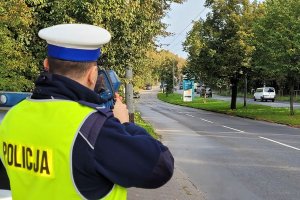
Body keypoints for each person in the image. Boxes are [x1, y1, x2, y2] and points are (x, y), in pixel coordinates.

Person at [0, 24, 174, 199]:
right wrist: (125, 124)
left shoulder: (13, 116)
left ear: (46, 65)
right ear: (92, 74)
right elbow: (161, 166)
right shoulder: (93, 129)